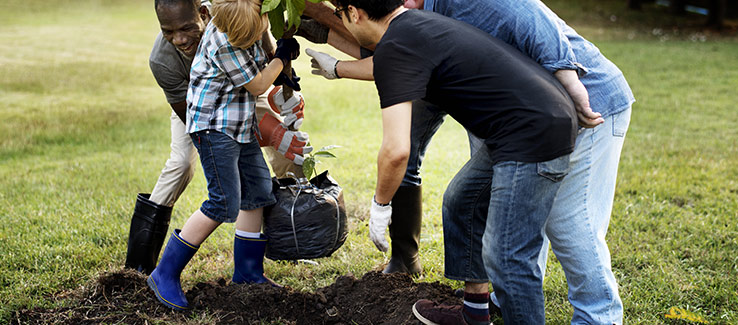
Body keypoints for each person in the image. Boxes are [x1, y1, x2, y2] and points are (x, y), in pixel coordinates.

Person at [312, 0, 635, 323]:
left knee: (550, 234)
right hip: (524, 119)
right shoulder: (415, 23)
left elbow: (396, 149)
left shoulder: (447, 11)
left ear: (354, 13)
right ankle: (477, 311)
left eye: (341, 13)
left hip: (583, 103)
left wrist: (381, 207)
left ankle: (598, 316)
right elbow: (388, 60)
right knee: (464, 201)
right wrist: (336, 68)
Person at [124, 0, 310, 276]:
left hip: (239, 101)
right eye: (169, 32)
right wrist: (269, 129)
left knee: (265, 182)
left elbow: (266, 63)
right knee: (196, 179)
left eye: (187, 28)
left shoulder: (239, 14)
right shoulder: (184, 53)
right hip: (204, 114)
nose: (180, 39)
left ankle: (262, 263)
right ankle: (150, 268)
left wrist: (285, 88)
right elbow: (204, 116)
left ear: (204, 14)